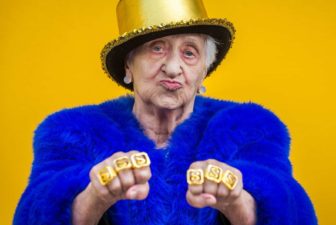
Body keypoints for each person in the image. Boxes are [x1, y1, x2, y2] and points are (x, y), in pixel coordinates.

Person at [14, 0, 318, 224]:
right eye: (156, 48)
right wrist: (94, 197)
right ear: (128, 67)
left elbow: (294, 213)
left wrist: (237, 201)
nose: (173, 68)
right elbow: (33, 214)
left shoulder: (251, 129)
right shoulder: (71, 132)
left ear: (203, 72)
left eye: (189, 53)